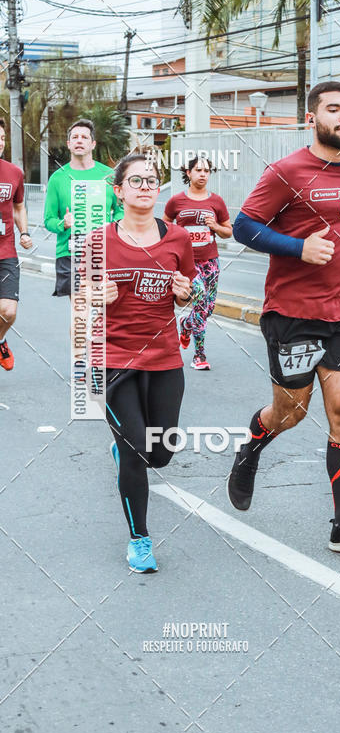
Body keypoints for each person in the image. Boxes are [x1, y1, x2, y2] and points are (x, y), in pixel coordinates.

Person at [227, 81, 340, 554]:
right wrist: (298, 247)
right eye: (334, 108)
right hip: (293, 314)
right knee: (291, 413)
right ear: (312, 118)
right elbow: (243, 226)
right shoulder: (286, 171)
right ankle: (253, 444)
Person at [84, 150, 195, 573]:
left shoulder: (178, 239)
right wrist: (96, 296)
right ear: (119, 191)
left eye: (151, 180)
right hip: (112, 360)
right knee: (135, 450)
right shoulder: (98, 241)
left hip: (164, 358)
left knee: (160, 454)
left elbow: (189, 293)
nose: (145, 186)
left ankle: (125, 448)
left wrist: (185, 295)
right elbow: (82, 299)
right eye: (136, 180)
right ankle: (140, 540)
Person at [163, 155, 232, 369]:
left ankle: (186, 323)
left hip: (210, 262)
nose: (203, 174)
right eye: (198, 170)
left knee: (207, 309)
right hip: (187, 264)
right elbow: (164, 227)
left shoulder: (216, 201)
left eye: (206, 171)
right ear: (189, 173)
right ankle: (199, 356)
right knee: (200, 302)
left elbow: (228, 232)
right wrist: (176, 237)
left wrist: (216, 227)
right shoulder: (176, 201)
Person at [44, 119, 123, 300]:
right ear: (68, 144)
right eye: (75, 137)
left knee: (103, 309)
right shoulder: (57, 178)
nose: (79, 140)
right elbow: (49, 220)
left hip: (104, 252)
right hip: (70, 253)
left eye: (84, 137)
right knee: (80, 311)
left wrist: (114, 225)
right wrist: (62, 224)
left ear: (93, 144)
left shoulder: (109, 176)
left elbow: (121, 209)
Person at [0, 118, 33, 370]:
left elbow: (19, 206)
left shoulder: (14, 173)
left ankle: (0, 340)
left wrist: (24, 232)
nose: (0, 143)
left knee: (8, 311)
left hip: (6, 251)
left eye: (2, 138)